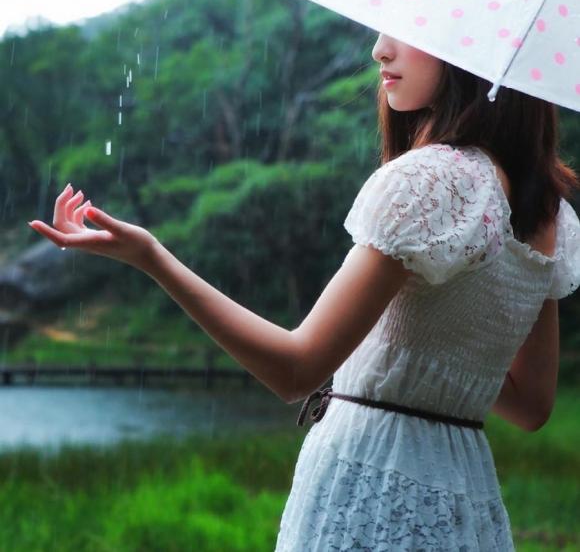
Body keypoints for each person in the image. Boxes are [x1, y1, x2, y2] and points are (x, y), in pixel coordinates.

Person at [28, 32, 580, 550]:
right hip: (464, 488)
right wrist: (439, 364)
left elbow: (295, 370)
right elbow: (531, 405)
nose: (378, 50)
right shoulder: (549, 212)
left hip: (373, 479)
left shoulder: (433, 180)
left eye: (404, 33)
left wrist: (151, 258)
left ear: (469, 47)